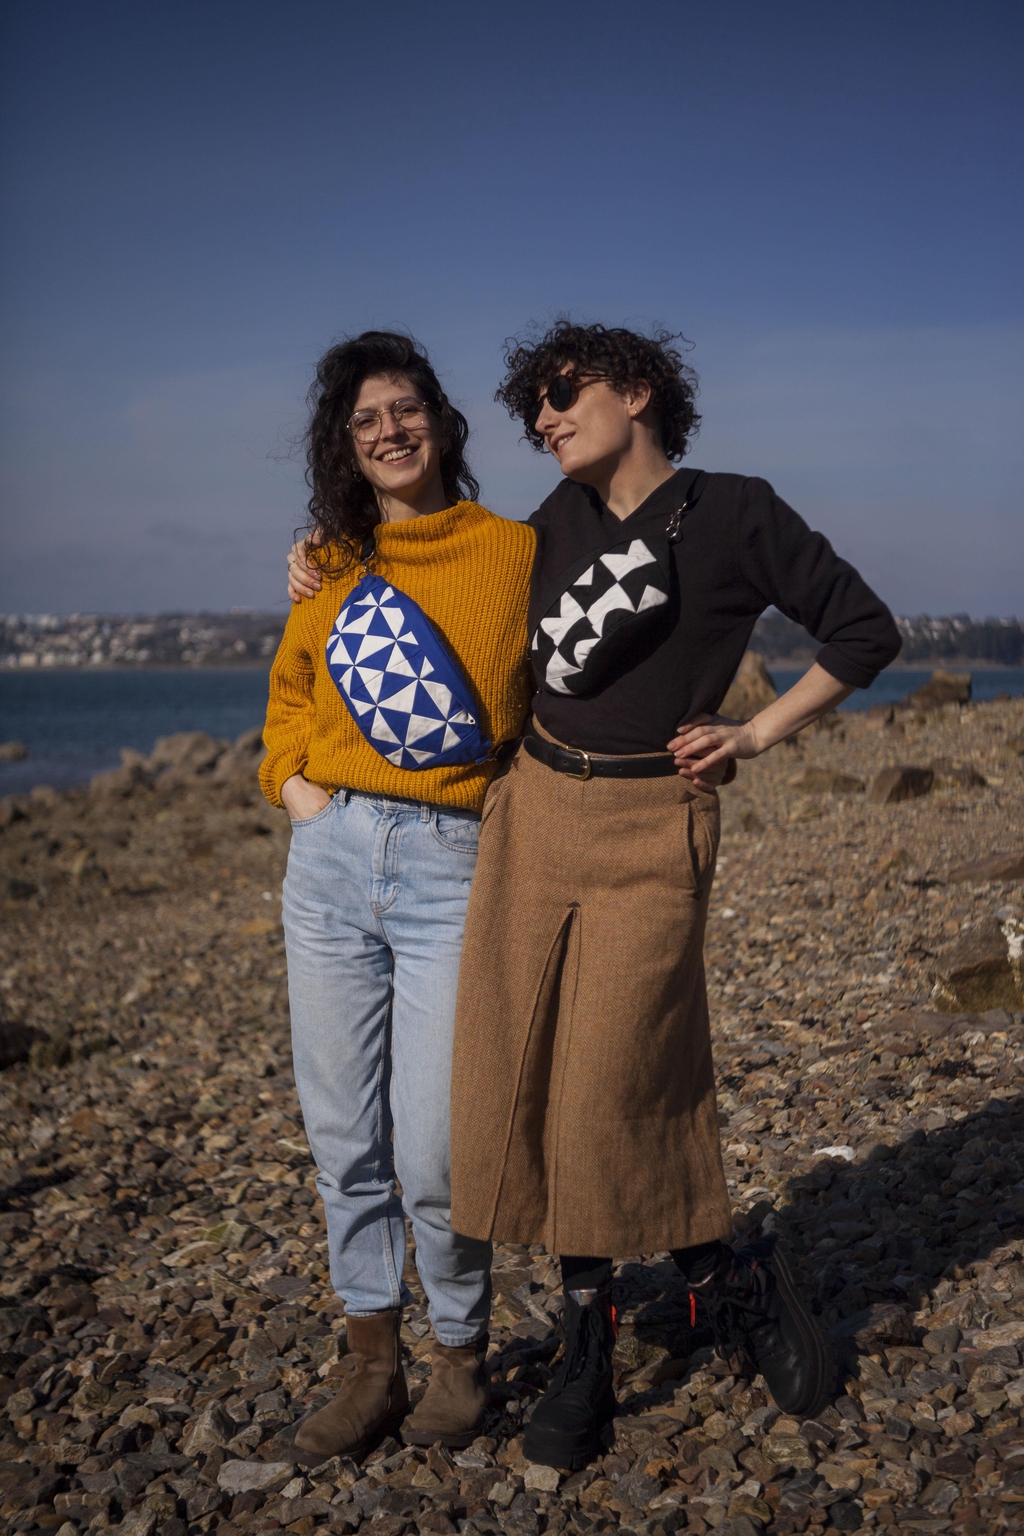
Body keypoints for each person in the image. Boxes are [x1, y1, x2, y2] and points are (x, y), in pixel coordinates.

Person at [286, 320, 903, 1469]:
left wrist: (754, 731)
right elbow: (455, 628)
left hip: (646, 824)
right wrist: (329, 564)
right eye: (533, 407)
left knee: (614, 1075)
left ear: (637, 391)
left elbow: (865, 630)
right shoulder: (549, 529)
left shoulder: (734, 511)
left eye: (564, 396)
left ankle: (725, 1270)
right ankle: (587, 1334)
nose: (544, 420)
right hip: (530, 816)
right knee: (538, 1076)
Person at [262, 330, 534, 1462]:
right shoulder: (332, 564)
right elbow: (289, 696)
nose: (389, 429)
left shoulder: (516, 551)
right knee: (342, 1136)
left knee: (435, 1147)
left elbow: (577, 678)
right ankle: (370, 1361)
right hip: (328, 864)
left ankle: (460, 1359)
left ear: (441, 421)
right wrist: (293, 789)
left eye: (406, 408)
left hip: (447, 866)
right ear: (346, 444)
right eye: (365, 419)